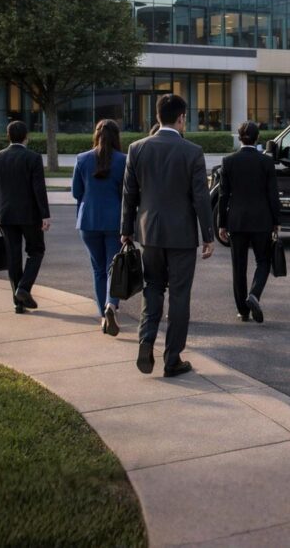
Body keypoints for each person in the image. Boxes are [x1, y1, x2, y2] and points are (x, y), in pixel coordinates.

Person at [121, 94, 214, 378]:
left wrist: (125, 231)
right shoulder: (193, 151)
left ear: (157, 116)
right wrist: (208, 235)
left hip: (148, 232)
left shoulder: (136, 148)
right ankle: (172, 358)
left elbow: (129, 194)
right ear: (182, 118)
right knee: (179, 295)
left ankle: (146, 340)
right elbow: (201, 198)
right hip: (182, 234)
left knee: (152, 287)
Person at [218, 121, 280, 323]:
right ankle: (254, 294)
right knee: (263, 260)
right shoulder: (266, 162)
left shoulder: (228, 161)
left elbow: (223, 196)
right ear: (257, 138)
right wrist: (276, 220)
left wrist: (222, 223)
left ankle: (243, 311)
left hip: (237, 221)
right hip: (262, 219)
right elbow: (273, 195)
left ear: (239, 138)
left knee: (239, 266)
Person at [0, 121, 51, 313]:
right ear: (26, 137)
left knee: (13, 257)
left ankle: (18, 303)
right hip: (30, 215)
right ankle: (23, 288)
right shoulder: (33, 158)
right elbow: (39, 188)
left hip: (5, 215)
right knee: (36, 251)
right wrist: (45, 215)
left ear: (8, 136)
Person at [72, 119, 125, 336]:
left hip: (89, 221)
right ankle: (111, 304)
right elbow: (128, 193)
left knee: (98, 269)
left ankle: (103, 315)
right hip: (115, 221)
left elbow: (76, 192)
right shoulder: (123, 160)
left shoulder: (82, 159)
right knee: (114, 267)